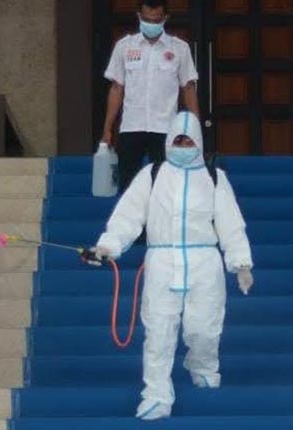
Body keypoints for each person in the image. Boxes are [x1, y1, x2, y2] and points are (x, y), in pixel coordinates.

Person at [94, 111, 254, 420]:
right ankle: (156, 395)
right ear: (168, 141)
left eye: (188, 141)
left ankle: (202, 364)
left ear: (198, 142)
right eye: (177, 141)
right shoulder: (152, 175)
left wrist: (240, 262)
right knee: (159, 330)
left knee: (204, 328)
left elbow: (231, 222)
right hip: (162, 262)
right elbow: (129, 215)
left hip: (204, 262)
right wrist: (109, 245)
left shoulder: (214, 178)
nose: (182, 146)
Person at [100, 0, 201, 192]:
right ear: (139, 16)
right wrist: (107, 128)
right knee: (128, 186)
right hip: (131, 126)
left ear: (165, 18)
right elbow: (116, 88)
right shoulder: (124, 46)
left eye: (156, 21)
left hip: (165, 128)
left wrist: (195, 127)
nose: (151, 24)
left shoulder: (179, 48)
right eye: (147, 20)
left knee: (164, 186)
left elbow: (188, 88)